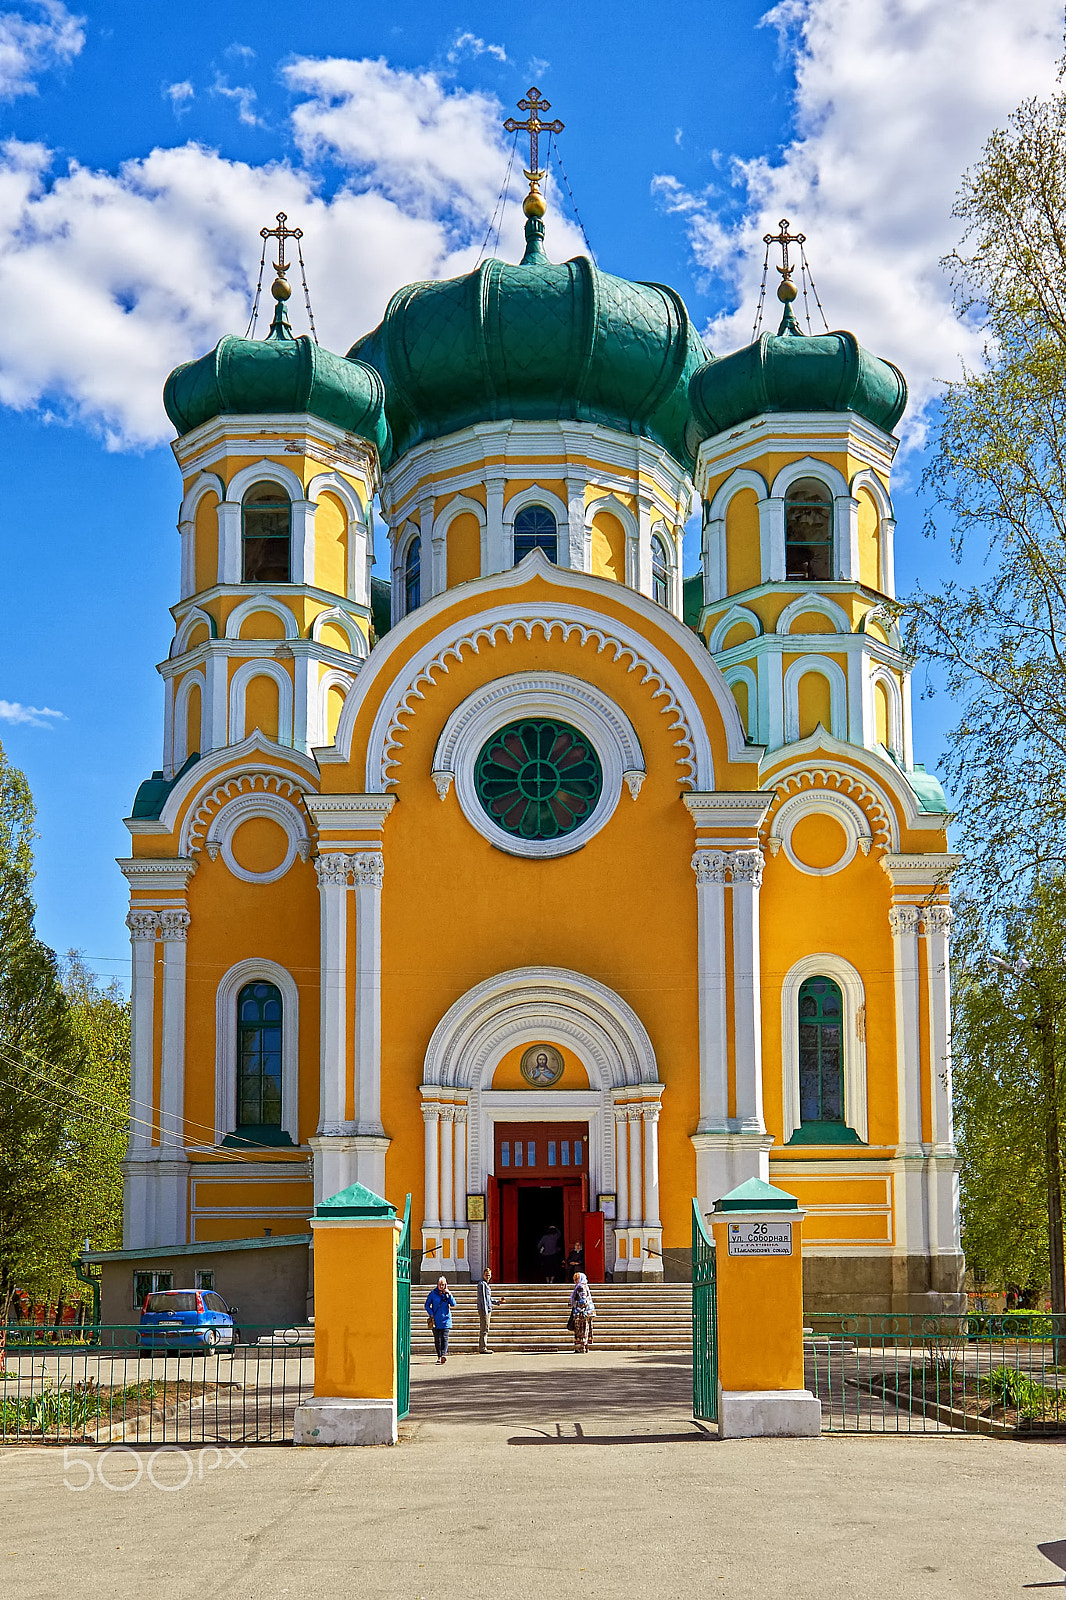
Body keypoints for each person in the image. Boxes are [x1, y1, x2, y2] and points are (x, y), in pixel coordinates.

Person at [424, 1275, 456, 1364]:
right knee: (437, 1339)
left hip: (446, 1320)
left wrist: (449, 1294)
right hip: (436, 1320)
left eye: (443, 1284)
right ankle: (439, 1355)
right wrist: (431, 1313)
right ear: (437, 1284)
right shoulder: (433, 1294)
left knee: (444, 1338)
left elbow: (453, 1304)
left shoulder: (447, 1294)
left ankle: (443, 1355)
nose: (441, 1286)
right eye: (440, 1284)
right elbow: (427, 1305)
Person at [476, 1267, 503, 1353]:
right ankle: (482, 1348)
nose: (488, 1277)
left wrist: (497, 1302)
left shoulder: (486, 1284)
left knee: (486, 1328)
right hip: (485, 1310)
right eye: (486, 1275)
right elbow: (483, 1299)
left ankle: (483, 1347)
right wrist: (485, 1311)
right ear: (483, 1275)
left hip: (487, 1308)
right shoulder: (482, 1284)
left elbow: (489, 1299)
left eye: (489, 1275)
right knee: (484, 1328)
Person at [570, 1271, 596, 1353]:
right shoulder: (585, 1286)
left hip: (582, 1313)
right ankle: (586, 1346)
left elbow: (583, 1299)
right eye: (574, 1279)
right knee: (586, 1329)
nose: (575, 1281)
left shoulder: (580, 1287)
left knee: (581, 1330)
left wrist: (578, 1307)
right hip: (588, 1312)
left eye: (576, 1279)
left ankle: (581, 1347)